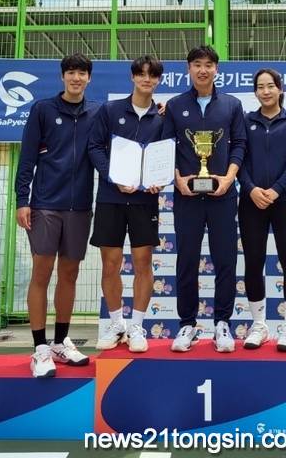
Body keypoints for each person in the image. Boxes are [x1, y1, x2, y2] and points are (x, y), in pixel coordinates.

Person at [15, 53, 99, 379]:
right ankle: (39, 348)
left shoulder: (97, 112)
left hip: (80, 207)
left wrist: (159, 111)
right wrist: (23, 200)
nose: (76, 78)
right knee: (42, 272)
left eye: (82, 73)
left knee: (69, 274)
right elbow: (27, 158)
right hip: (45, 205)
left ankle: (61, 342)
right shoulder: (43, 110)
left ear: (89, 78)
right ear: (62, 77)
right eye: (71, 73)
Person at [162, 45, 247, 353]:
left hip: (223, 195)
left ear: (216, 70)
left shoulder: (232, 105)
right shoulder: (175, 105)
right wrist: (177, 178)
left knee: (225, 259)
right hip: (186, 196)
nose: (203, 70)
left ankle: (222, 323)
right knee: (187, 260)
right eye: (197, 64)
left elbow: (239, 144)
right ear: (188, 69)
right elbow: (165, 145)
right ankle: (187, 324)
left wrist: (229, 178)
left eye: (208, 65)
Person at [88, 56, 164, 353]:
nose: (146, 79)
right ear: (132, 77)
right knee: (111, 263)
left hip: (145, 200)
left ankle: (137, 326)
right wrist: (113, 177)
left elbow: (166, 155)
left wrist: (160, 181)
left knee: (143, 262)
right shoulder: (110, 110)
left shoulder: (162, 117)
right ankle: (117, 323)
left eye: (152, 75)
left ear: (158, 80)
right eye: (141, 74)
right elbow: (95, 147)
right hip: (111, 197)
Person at [238, 68, 286, 352]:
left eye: (270, 86)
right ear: (255, 91)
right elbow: (238, 158)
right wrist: (251, 189)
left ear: (280, 89)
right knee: (253, 262)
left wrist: (277, 189)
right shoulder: (245, 121)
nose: (265, 91)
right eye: (260, 87)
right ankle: (259, 325)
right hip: (251, 201)